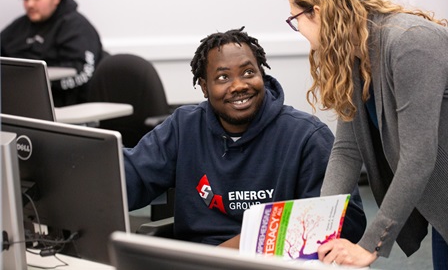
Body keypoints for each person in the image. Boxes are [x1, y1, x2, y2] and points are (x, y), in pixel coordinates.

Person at [287, 0, 448, 269]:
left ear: (317, 12)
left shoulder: (410, 44)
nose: (297, 29)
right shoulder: (355, 56)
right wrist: (321, 227)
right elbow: (347, 150)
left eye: (295, 19)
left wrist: (370, 246)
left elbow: (418, 157)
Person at [124, 27, 366, 248]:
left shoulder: (306, 136)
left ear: (262, 74)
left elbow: (347, 219)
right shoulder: (183, 127)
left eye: (248, 72)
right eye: (222, 77)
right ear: (204, 87)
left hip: (276, 263)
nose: (238, 85)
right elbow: (131, 178)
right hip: (198, 261)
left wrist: (241, 247)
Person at [1, 0, 106, 107]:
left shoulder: (76, 26)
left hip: (66, 105)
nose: (30, 4)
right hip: (19, 101)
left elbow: (83, 73)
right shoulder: (20, 26)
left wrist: (38, 83)